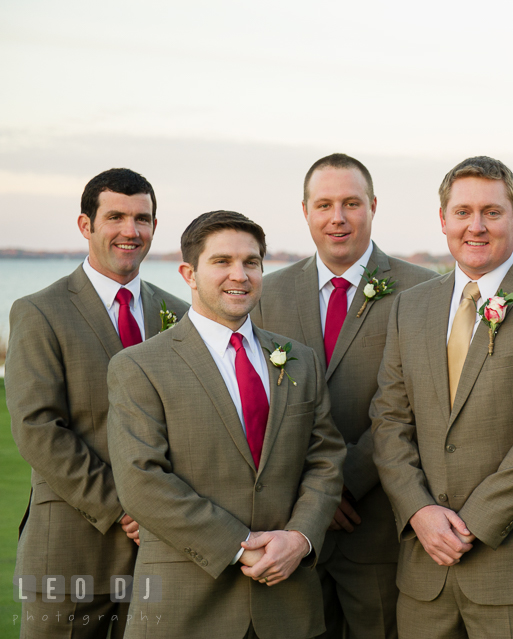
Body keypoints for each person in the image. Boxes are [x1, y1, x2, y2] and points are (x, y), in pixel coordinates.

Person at [371, 156, 513, 638]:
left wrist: (471, 523)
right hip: (426, 568)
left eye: (492, 212)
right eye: (462, 212)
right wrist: (419, 511)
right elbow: (389, 420)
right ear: (443, 220)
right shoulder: (410, 308)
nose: (476, 226)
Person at [106, 211, 346, 639]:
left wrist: (300, 539)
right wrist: (240, 548)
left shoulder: (300, 360)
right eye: (221, 262)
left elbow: (325, 458)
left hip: (289, 602)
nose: (240, 274)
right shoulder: (140, 366)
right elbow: (142, 480)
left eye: (251, 262)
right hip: (187, 605)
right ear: (189, 273)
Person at [251, 153, 437, 638]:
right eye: (325, 204)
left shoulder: (422, 292)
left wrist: (342, 484)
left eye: (351, 203)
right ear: (306, 211)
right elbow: (255, 406)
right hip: (291, 525)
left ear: (373, 206)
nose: (338, 217)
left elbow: (422, 402)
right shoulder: (266, 294)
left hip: (377, 521)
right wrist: (314, 496)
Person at [7, 168, 189, 639]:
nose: (131, 231)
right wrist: (127, 508)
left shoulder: (181, 314)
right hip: (72, 545)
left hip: (162, 555)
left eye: (142, 219)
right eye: (116, 217)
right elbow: (38, 429)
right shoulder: (40, 311)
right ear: (85, 225)